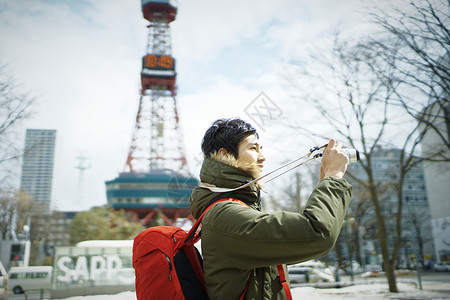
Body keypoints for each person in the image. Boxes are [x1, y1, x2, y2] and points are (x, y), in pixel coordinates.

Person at [189, 118, 352, 300]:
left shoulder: (236, 207)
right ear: (224, 154)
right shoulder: (224, 215)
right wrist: (333, 177)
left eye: (261, 149)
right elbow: (317, 233)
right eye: (253, 148)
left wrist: (325, 182)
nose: (262, 156)